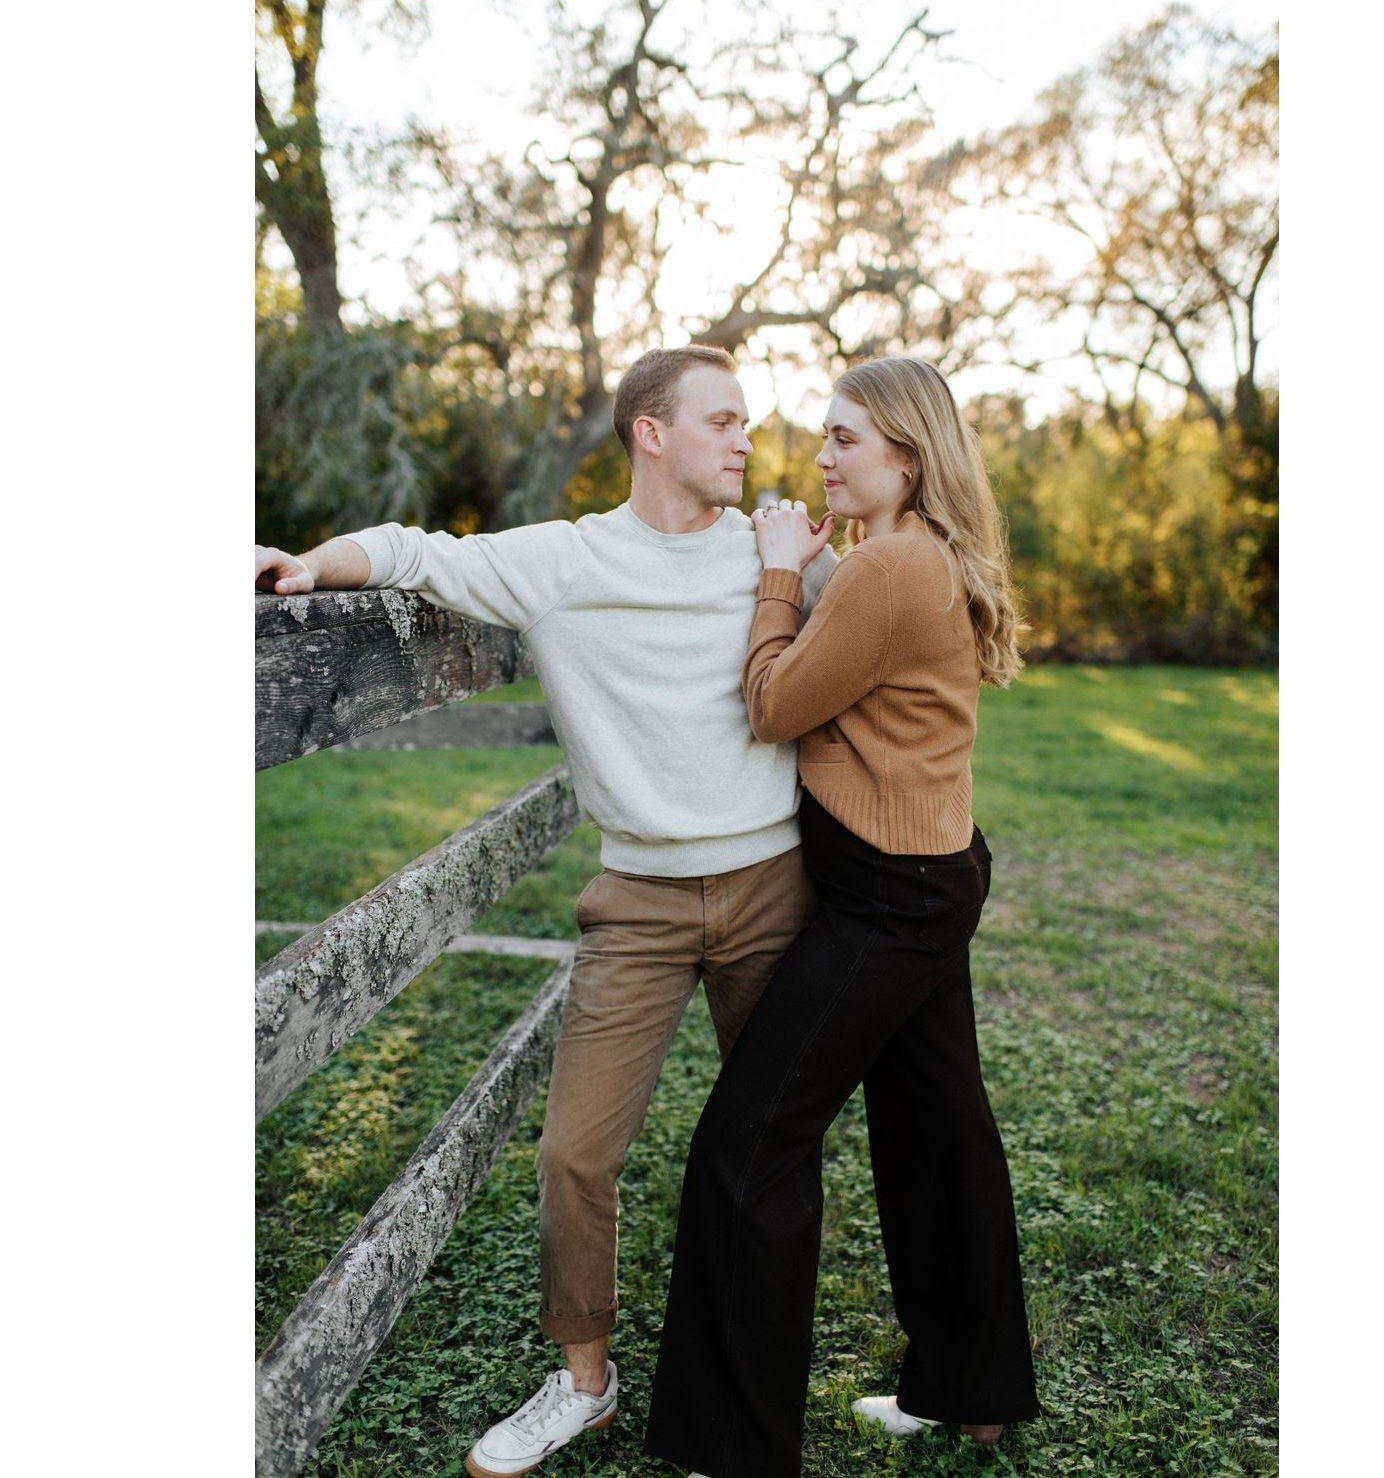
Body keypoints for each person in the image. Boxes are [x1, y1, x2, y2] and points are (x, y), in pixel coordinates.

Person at [254, 345, 838, 1478]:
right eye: (720, 419)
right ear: (650, 434)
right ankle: (584, 1381)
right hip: (638, 900)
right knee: (573, 1154)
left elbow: (877, 617)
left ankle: (753, 1381)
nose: (744, 438)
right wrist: (310, 562)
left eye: (745, 420)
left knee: (776, 1146)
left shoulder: (774, 554)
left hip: (775, 884)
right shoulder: (564, 561)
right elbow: (418, 550)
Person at [643, 357, 1041, 1478]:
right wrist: (815, 573)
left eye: (844, 439)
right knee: (937, 1131)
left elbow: (773, 705)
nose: (821, 458)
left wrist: (780, 574)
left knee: (749, 1142)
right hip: (929, 873)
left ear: (907, 457)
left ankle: (736, 1446)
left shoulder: (887, 569)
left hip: (886, 900)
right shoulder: (917, 555)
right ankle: (971, 1390)